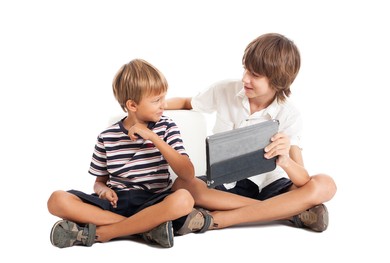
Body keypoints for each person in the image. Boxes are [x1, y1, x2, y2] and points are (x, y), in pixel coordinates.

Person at [167, 33, 337, 232]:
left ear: (277, 80)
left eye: (255, 75)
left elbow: (303, 178)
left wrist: (285, 160)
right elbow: (188, 103)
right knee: (182, 185)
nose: (245, 79)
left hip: (272, 186)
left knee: (326, 184)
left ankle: (220, 220)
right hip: (226, 187)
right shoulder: (225, 90)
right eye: (246, 69)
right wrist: (155, 105)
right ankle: (291, 213)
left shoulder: (290, 115)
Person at [47, 59, 214, 249]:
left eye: (163, 98)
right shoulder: (106, 136)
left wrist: (154, 137)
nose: (163, 105)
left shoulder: (167, 127)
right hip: (117, 203)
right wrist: (103, 191)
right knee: (56, 200)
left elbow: (187, 174)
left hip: (154, 201)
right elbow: (99, 181)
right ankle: (145, 229)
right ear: (132, 105)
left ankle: (106, 232)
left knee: (184, 199)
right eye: (156, 100)